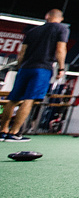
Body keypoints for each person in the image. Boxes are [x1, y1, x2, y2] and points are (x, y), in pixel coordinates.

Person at [0, 8, 68, 142]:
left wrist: (21, 68)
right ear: (60, 18)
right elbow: (60, 49)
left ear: (46, 16)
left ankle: (2, 131)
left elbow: (21, 53)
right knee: (29, 99)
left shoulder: (32, 31)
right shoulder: (62, 29)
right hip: (42, 69)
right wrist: (61, 68)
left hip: (25, 68)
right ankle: (14, 133)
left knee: (13, 99)